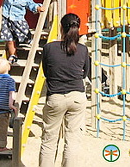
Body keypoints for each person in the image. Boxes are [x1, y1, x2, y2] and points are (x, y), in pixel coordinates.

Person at [39, 13, 91, 167]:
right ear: (78, 29)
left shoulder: (49, 48)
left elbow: (46, 72)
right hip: (77, 96)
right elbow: (85, 73)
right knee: (73, 139)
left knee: (49, 139)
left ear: (61, 27)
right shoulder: (82, 50)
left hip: (56, 96)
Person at [0, 0, 45, 64]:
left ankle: (29, 40)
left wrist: (38, 8)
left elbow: (32, 5)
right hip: (6, 19)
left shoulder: (26, 0)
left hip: (18, 20)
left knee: (23, 31)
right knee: (9, 38)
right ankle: (13, 55)